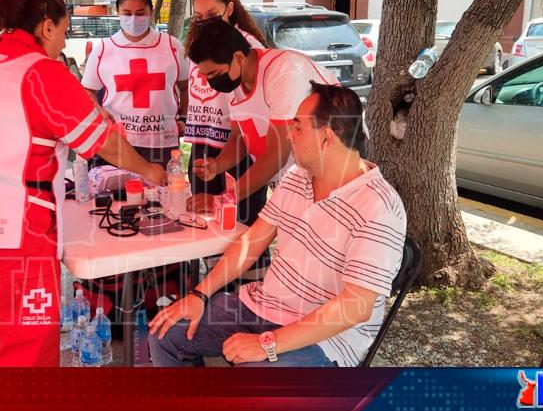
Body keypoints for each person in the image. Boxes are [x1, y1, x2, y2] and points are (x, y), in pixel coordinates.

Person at [0, 0, 165, 368]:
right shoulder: (41, 73)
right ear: (45, 26)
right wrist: (151, 171)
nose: (63, 39)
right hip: (17, 241)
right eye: (64, 28)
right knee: (29, 354)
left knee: (4, 339)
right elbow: (105, 142)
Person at [148, 83, 406, 367]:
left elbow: (356, 306)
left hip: (326, 339)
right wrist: (199, 293)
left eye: (297, 128)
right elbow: (253, 240)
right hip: (263, 306)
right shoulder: (297, 176)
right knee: (165, 334)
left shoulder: (379, 206)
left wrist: (266, 344)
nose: (289, 136)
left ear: (326, 138)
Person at [187, 17, 339, 209]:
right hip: (293, 184)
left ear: (239, 58)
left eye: (215, 74)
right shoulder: (234, 81)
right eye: (207, 75)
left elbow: (276, 156)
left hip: (330, 177)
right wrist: (217, 165)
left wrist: (226, 199)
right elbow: (238, 137)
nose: (212, 82)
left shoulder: (283, 71)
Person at [185, 0, 270, 226]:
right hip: (204, 142)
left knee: (242, 222)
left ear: (229, 9)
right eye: (199, 17)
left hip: (237, 145)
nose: (205, 22)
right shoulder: (198, 44)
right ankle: (215, 265)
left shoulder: (246, 47)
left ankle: (248, 266)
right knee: (204, 219)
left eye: (212, 14)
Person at [81, 0, 189, 168]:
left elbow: (186, 86)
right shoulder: (103, 49)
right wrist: (100, 112)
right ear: (118, 12)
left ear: (150, 12)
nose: (133, 19)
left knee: (160, 193)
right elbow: (87, 90)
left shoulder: (172, 46)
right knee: (119, 195)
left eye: (140, 13)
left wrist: (184, 119)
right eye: (127, 13)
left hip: (161, 142)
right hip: (118, 141)